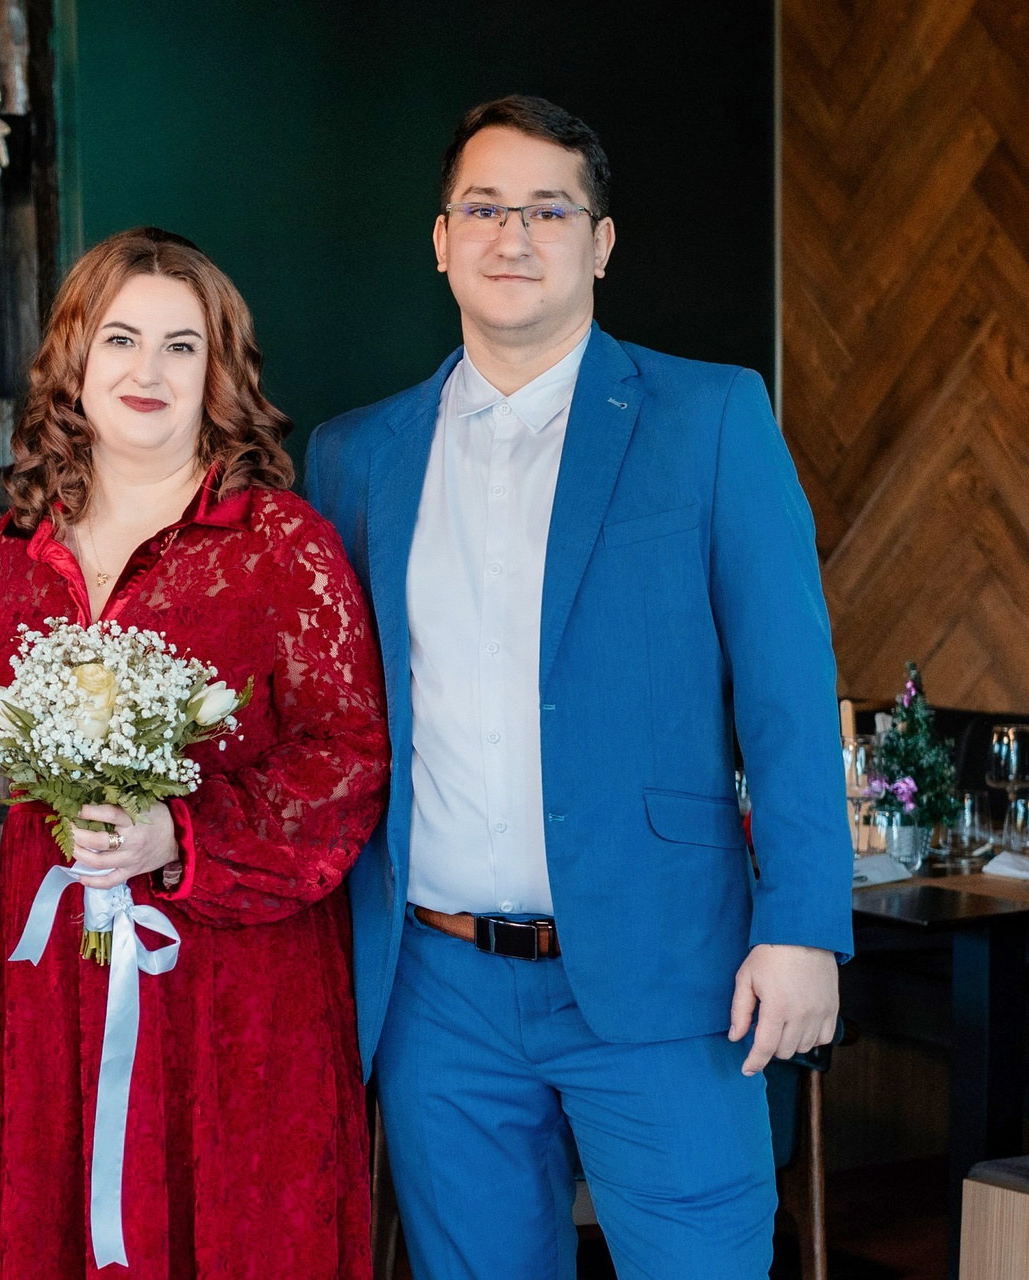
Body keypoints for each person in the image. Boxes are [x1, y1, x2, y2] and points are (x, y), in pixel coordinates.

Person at [305, 96, 852, 1278]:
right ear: (440, 240)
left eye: (549, 210)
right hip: (437, 989)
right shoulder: (351, 457)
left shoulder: (711, 417)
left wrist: (805, 922)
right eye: (484, 208)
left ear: (600, 243)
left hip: (671, 971)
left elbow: (790, 695)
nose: (514, 235)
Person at [0, 226, 390, 1279]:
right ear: (74, 359)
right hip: (59, 966)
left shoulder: (279, 543)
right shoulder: (18, 548)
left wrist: (178, 835)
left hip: (235, 978)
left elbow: (348, 756)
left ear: (218, 371)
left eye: (181, 346)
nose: (148, 370)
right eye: (121, 339)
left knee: (236, 1225)